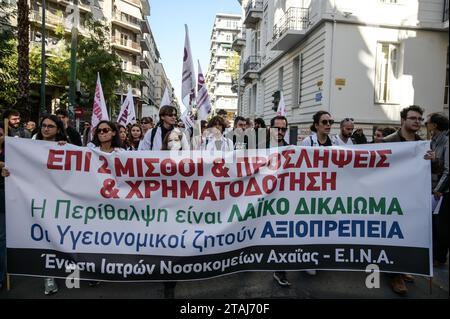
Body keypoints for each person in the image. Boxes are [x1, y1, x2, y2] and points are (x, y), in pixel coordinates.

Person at [3, 115, 67, 294]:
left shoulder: (65, 147)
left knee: (58, 235)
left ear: (58, 129)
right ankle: (49, 277)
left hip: (59, 199)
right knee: (44, 236)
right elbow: (18, 166)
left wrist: (65, 149)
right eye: (44, 125)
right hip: (36, 197)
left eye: (50, 126)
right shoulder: (29, 146)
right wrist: (9, 170)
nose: (46, 129)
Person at [382, 105, 435, 295]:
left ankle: (402, 268)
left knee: (407, 234)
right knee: (392, 235)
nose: (417, 122)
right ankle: (394, 275)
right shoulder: (388, 141)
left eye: (420, 119)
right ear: (403, 120)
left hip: (412, 199)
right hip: (391, 198)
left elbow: (435, 172)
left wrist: (434, 161)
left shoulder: (423, 144)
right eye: (413, 118)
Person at [425, 113, 449, 266]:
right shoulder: (433, 141)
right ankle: (433, 255)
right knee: (433, 224)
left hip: (444, 192)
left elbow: (448, 170)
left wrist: (439, 189)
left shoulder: (447, 142)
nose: (425, 124)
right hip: (435, 189)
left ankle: (440, 258)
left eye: (427, 122)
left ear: (434, 125)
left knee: (442, 226)